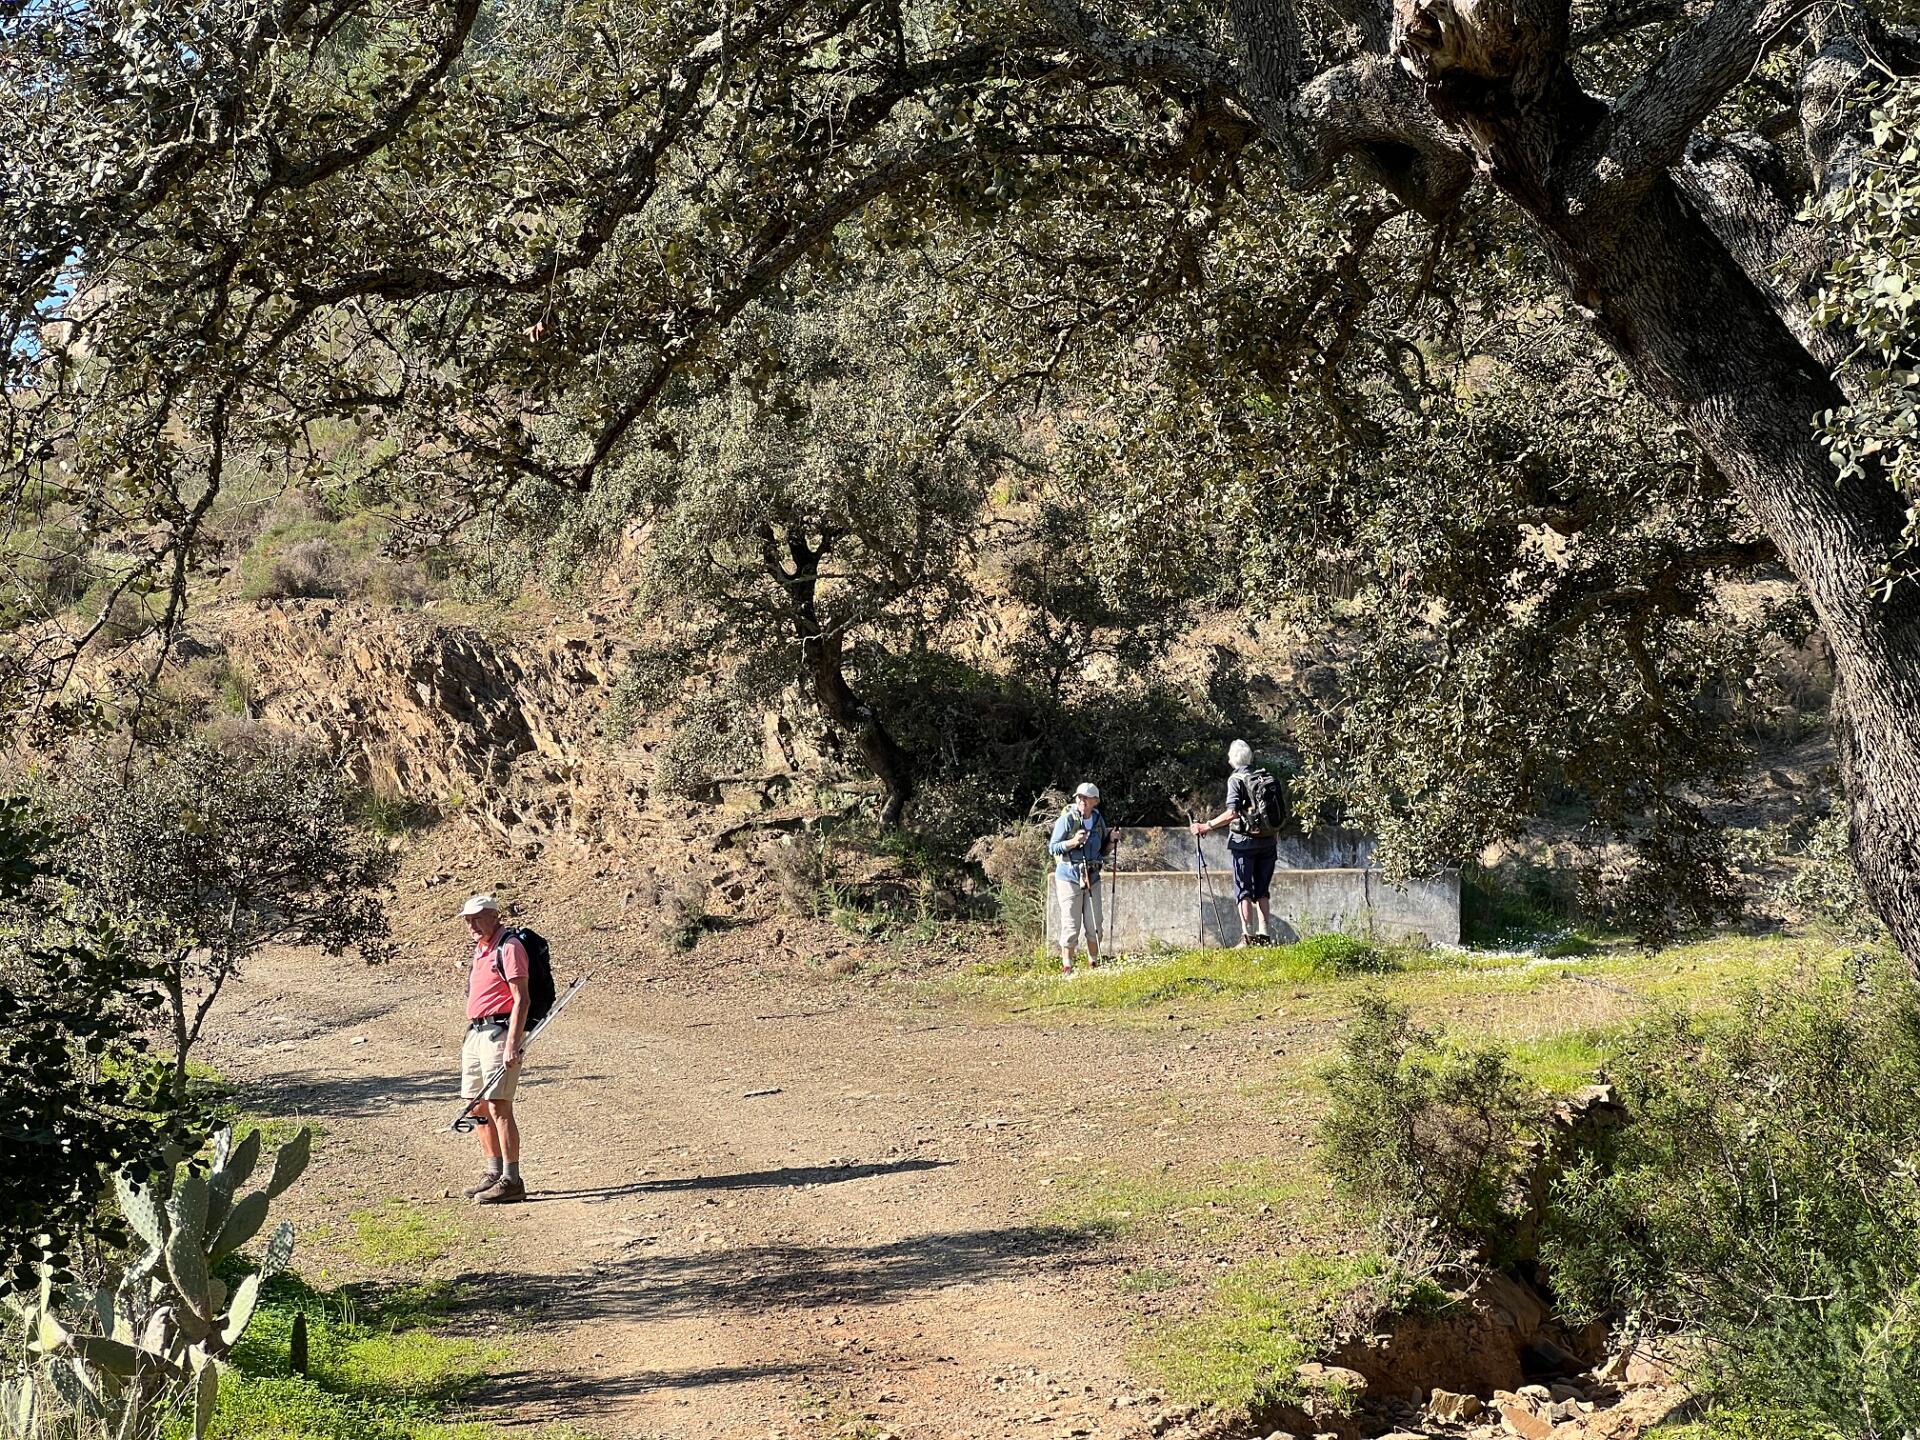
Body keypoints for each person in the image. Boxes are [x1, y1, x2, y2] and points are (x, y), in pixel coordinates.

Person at [458, 895, 530, 1204]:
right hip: (476, 1031)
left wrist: (512, 1042)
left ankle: (512, 1180)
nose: (471, 925)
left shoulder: (509, 947)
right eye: (467, 920)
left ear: (494, 916)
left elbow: (521, 998)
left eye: (476, 918)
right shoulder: (481, 948)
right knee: (476, 1105)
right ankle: (493, 1172)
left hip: (499, 1032)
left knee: (499, 1105)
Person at [1189, 741, 1281, 946]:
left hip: (1243, 843)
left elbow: (1232, 813)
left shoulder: (1236, 780)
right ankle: (1264, 936)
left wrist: (1206, 826)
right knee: (1262, 891)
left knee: (1243, 891)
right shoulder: (1266, 778)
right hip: (1268, 842)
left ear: (1233, 759)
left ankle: (1247, 937)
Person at [1048, 782, 1111, 974]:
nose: (1082, 800)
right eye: (1079, 797)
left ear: (1095, 801)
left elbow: (1103, 850)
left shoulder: (1098, 821)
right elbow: (1053, 847)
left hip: (1092, 877)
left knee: (1095, 923)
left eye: (1086, 798)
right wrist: (1073, 842)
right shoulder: (1067, 820)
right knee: (1071, 924)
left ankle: (1093, 963)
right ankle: (1067, 967)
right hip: (1069, 877)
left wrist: (1112, 840)